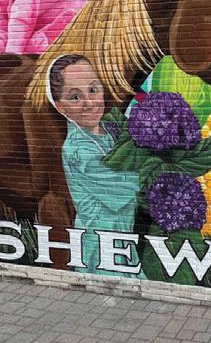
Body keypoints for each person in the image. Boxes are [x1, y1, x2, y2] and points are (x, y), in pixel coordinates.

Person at [46, 54, 142, 277]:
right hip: (100, 252)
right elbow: (128, 187)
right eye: (75, 97)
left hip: (123, 244)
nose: (89, 103)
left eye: (93, 90)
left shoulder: (110, 130)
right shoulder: (79, 151)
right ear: (61, 107)